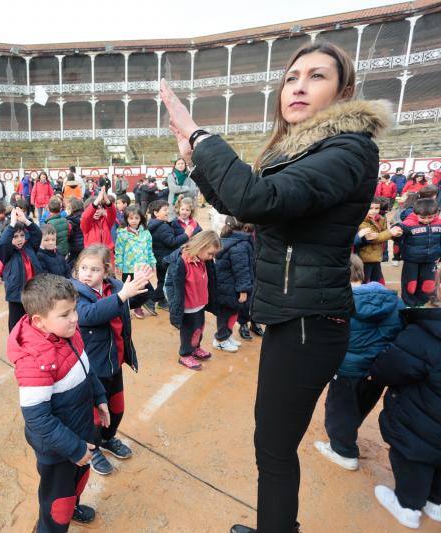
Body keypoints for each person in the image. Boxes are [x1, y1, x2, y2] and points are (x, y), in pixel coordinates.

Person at [161, 40, 389, 532]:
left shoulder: (348, 149)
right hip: (296, 317)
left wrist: (201, 136)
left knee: (274, 448)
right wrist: (197, 161)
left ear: (344, 91)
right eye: (291, 77)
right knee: (274, 444)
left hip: (307, 323)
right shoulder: (313, 150)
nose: (299, 86)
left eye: (316, 76)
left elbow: (254, 197)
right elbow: (247, 207)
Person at [7, 274, 108, 531]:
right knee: (57, 502)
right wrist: (74, 448)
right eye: (65, 314)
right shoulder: (35, 360)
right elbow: (37, 418)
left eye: (74, 310)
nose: (75, 317)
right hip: (58, 449)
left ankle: (71, 507)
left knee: (78, 481)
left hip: (80, 431)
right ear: (39, 322)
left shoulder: (70, 333)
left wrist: (100, 398)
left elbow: (87, 369)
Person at [313, 254, 402, 471]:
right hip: (377, 371)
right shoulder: (392, 300)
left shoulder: (336, 303)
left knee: (339, 409)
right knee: (361, 404)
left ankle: (343, 452)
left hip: (347, 371)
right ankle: (348, 434)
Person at [72, 245, 152, 476]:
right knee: (95, 414)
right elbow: (89, 314)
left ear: (106, 271)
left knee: (117, 409)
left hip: (114, 363)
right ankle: (93, 448)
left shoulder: (115, 286)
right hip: (93, 368)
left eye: (94, 269)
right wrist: (122, 296)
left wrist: (141, 282)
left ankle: (108, 439)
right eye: (83, 268)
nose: (87, 273)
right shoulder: (75, 292)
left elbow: (134, 301)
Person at [370, 293, 441, 529]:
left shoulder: (424, 335)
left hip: (419, 421)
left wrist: (376, 371)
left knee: (414, 459)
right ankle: (436, 502)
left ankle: (407, 507)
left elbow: (390, 366)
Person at [163, 231, 221, 370]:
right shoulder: (181, 261)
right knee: (188, 331)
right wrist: (176, 305)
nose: (212, 257)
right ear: (201, 246)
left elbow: (211, 279)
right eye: (210, 253)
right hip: (187, 305)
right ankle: (185, 354)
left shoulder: (203, 260)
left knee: (199, 328)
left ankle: (195, 347)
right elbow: (172, 285)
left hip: (199, 302)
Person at [213, 217, 254, 353]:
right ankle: (220, 340)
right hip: (231, 287)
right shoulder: (239, 245)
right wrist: (243, 290)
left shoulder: (229, 240)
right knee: (226, 313)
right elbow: (241, 270)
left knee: (232, 312)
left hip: (227, 285)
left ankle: (227, 336)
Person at [0, 207, 42, 331]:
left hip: (33, 292)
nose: (19, 239)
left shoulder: (29, 247)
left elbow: (37, 234)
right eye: (15, 236)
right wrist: (11, 225)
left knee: (34, 321)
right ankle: (16, 343)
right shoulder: (7, 253)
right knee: (16, 323)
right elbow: (3, 243)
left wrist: (26, 221)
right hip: (17, 295)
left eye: (22, 236)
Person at [394, 198, 441, 307]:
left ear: (436, 213)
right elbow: (396, 231)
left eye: (430, 217)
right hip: (412, 260)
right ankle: (408, 305)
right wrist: (395, 231)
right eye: (423, 217)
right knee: (411, 284)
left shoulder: (439, 224)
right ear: (416, 214)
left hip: (430, 260)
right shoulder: (409, 224)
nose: (426, 220)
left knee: (427, 284)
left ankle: (421, 304)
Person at [113, 205, 156, 318]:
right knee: (129, 290)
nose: (134, 221)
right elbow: (119, 251)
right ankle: (124, 309)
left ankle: (137, 308)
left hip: (143, 269)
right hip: (128, 268)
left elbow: (149, 249)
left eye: (136, 218)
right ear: (126, 219)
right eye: (131, 218)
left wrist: (152, 262)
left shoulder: (146, 233)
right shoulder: (122, 234)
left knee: (145, 291)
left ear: (141, 218)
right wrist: (119, 265)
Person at [147, 200, 190, 313]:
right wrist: (186, 235)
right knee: (166, 282)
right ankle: (151, 299)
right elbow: (171, 242)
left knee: (162, 280)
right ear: (156, 213)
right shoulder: (162, 227)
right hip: (165, 258)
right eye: (164, 210)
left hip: (159, 257)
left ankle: (161, 301)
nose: (168, 212)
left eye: (168, 209)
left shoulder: (155, 224)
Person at [356, 197, 401, 285]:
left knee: (378, 282)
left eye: (377, 208)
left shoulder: (381, 218)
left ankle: (376, 296)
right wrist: (390, 233)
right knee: (365, 282)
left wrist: (396, 234)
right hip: (364, 258)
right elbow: (373, 238)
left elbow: (384, 232)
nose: (374, 211)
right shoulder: (361, 221)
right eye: (370, 208)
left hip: (376, 257)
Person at [81, 189, 117, 255]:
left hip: (107, 254)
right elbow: (86, 217)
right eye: (94, 209)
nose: (96, 211)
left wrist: (107, 201)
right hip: (92, 255)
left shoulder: (106, 221)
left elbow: (113, 214)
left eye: (99, 208)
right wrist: (97, 201)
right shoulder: (86, 225)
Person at [65, 197, 85, 265]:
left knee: (71, 263)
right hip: (84, 244)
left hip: (74, 246)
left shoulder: (70, 220)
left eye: (68, 208)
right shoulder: (84, 216)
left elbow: (69, 234)